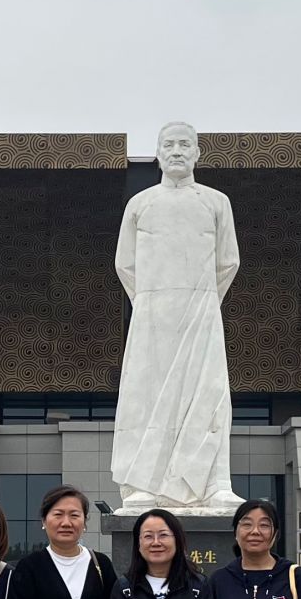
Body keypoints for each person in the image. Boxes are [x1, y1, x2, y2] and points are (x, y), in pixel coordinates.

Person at [110, 121, 244, 511]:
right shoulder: (141, 204)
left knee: (208, 392)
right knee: (147, 395)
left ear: (198, 153)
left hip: (201, 309)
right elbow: (124, 264)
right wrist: (151, 303)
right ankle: (145, 483)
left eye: (185, 144)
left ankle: (214, 483)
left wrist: (201, 300)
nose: (177, 151)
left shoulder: (216, 202)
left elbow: (228, 262)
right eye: (168, 145)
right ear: (158, 153)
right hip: (152, 314)